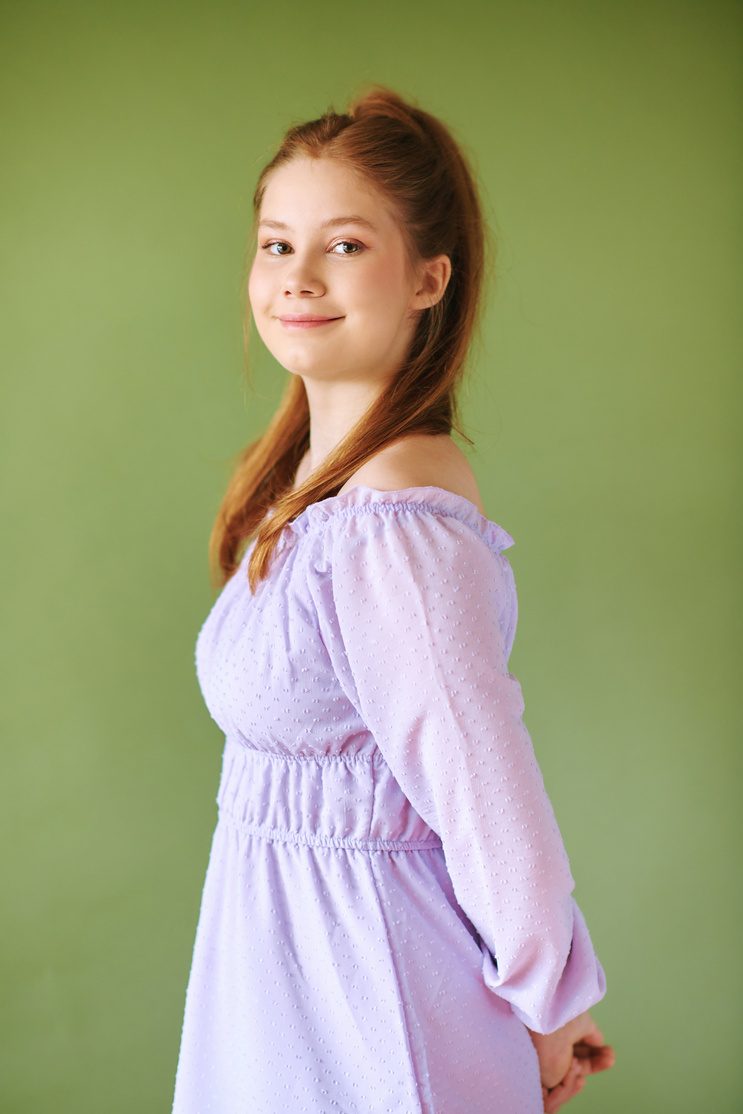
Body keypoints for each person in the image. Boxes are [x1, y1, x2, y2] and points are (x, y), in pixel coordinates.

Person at [172, 87, 615, 1114]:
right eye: (276, 244)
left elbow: (479, 780)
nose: (298, 277)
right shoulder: (316, 494)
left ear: (427, 277)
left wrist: (548, 1003)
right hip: (285, 993)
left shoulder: (393, 524)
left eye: (344, 245)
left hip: (370, 1006)